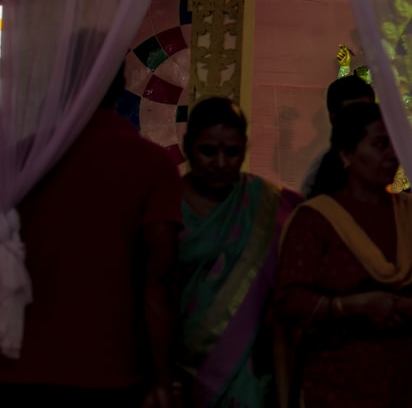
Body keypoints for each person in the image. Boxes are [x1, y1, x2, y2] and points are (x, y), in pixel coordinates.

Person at [0, 66, 182, 408]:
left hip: (19, 364)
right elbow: (159, 280)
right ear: (121, 87)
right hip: (112, 370)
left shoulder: (22, 158)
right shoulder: (152, 164)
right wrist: (162, 378)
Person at [275, 103, 412, 408]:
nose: (392, 154)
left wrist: (411, 306)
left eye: (396, 144)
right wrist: (349, 307)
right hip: (336, 380)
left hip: (405, 379)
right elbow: (288, 300)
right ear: (346, 155)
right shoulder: (315, 219)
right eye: (380, 144)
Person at [177, 97, 301, 408]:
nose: (220, 163)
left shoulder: (272, 205)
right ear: (187, 147)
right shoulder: (164, 204)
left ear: (244, 149)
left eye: (232, 152)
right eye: (208, 151)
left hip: (252, 376)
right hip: (180, 371)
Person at [300, 72, 375, 197]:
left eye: (368, 113)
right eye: (353, 115)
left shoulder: (389, 157)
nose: (362, 121)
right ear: (333, 119)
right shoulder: (321, 171)